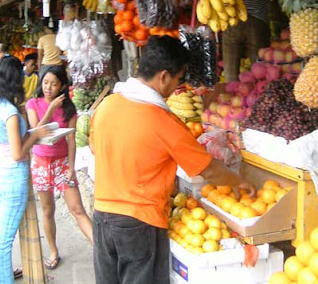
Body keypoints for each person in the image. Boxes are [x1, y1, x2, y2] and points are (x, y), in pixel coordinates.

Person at [89, 36, 255, 284]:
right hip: (139, 223)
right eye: (179, 79)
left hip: (102, 216)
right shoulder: (164, 122)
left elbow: (95, 148)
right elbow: (207, 169)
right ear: (164, 76)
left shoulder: (107, 105)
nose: (178, 86)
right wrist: (239, 182)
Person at [0, 56, 50, 284]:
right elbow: (18, 153)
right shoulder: (10, 114)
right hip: (12, 175)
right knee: (5, 239)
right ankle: (4, 279)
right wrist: (35, 135)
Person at [26, 66, 93, 270]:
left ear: (62, 86)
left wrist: (71, 168)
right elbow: (36, 132)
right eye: (45, 82)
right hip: (40, 164)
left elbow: (71, 140)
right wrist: (50, 109)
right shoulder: (32, 103)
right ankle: (54, 251)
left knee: (78, 210)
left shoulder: (69, 109)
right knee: (48, 211)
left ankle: (100, 250)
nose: (48, 87)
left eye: (54, 83)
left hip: (63, 163)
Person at [222, 0, 270, 82]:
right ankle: (261, 93)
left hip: (233, 18)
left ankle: (230, 92)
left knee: (230, 72)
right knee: (259, 73)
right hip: (258, 19)